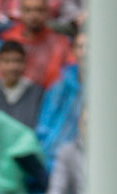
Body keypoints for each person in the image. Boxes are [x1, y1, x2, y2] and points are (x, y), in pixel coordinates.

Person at [0, 0, 72, 89]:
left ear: (47, 13)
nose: (34, 16)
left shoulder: (58, 42)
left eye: (39, 10)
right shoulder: (11, 39)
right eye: (28, 10)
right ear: (21, 13)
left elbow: (70, 71)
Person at [0, 41, 46, 129]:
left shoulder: (37, 93)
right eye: (7, 61)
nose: (12, 67)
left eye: (17, 61)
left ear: (25, 63)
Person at [36, 29, 84, 161]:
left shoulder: (104, 91)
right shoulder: (59, 86)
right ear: (73, 51)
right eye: (81, 47)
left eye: (90, 47)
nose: (85, 52)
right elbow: (44, 124)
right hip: (53, 156)